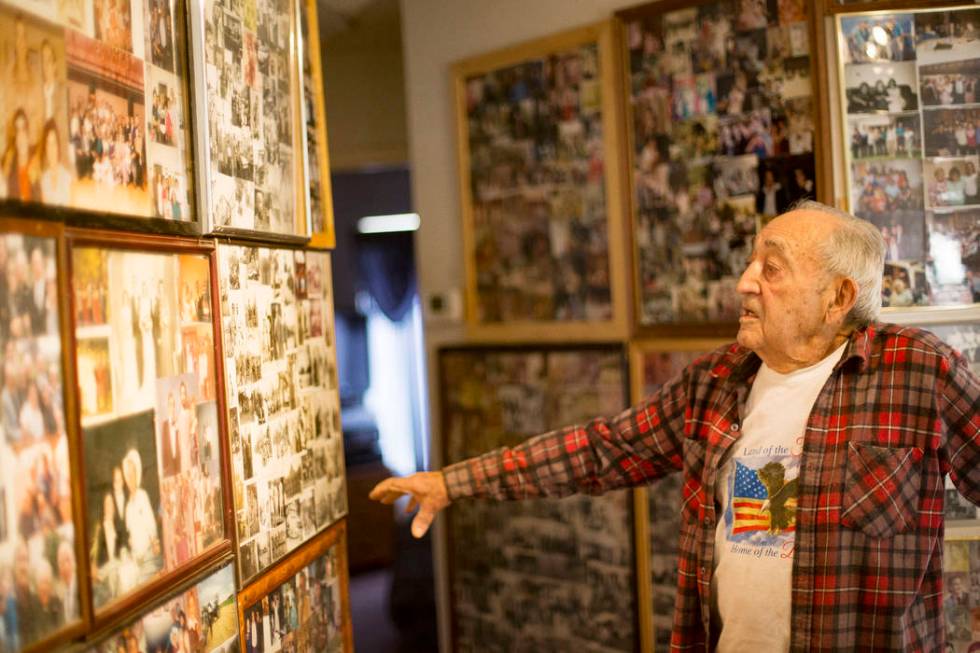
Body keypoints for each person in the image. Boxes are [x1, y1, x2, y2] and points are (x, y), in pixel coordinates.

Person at [371, 201, 980, 652]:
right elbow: (602, 451)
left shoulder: (920, 370)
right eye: (750, 263)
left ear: (837, 295)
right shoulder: (716, 380)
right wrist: (454, 482)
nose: (744, 281)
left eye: (772, 268)